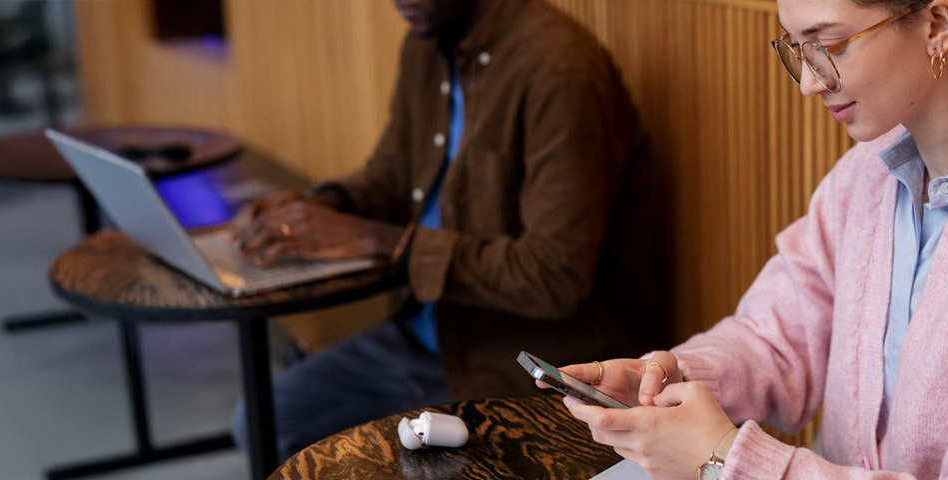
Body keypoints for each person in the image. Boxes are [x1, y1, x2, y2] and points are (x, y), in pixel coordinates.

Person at [545, 0, 948, 477]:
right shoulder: (871, 171)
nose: (808, 80)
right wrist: (676, 377)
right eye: (796, 47)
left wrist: (725, 458)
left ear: (938, 23)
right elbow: (779, 335)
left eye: (830, 44)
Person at [229, 0, 666, 460]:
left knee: (374, 462)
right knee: (263, 423)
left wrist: (382, 241)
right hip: (423, 334)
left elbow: (555, 276)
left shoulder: (559, 69)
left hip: (519, 366)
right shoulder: (427, 40)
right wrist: (316, 210)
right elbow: (393, 173)